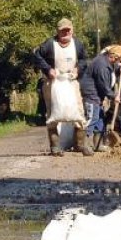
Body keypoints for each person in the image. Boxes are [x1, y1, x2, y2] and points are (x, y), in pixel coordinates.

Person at [31, 18, 91, 155]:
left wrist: (78, 70)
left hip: (70, 81)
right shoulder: (49, 44)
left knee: (79, 111)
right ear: (57, 31)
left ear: (72, 30)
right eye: (62, 31)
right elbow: (37, 55)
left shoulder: (77, 44)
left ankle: (80, 144)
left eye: (68, 30)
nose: (65, 33)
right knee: (52, 113)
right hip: (53, 82)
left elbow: (83, 60)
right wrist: (48, 69)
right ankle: (55, 146)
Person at [79, 44, 121, 153]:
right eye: (118, 60)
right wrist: (114, 97)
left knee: (100, 119)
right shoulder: (101, 66)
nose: (118, 62)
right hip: (91, 94)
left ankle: (97, 145)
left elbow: (112, 71)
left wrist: (119, 68)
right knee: (93, 118)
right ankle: (85, 145)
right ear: (113, 57)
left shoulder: (107, 61)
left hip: (97, 94)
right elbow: (103, 86)